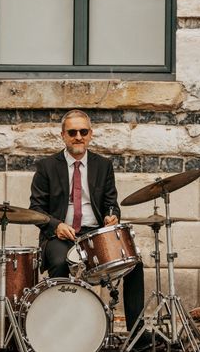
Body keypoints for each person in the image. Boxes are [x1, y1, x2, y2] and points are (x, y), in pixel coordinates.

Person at [29, 109, 146, 338]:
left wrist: (112, 215)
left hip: (95, 233)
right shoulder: (46, 167)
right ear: (63, 135)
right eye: (72, 132)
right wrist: (56, 225)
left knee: (134, 264)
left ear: (91, 134)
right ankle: (60, 334)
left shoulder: (103, 165)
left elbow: (111, 203)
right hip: (62, 235)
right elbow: (36, 210)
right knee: (60, 262)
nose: (78, 137)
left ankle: (136, 336)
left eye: (83, 131)